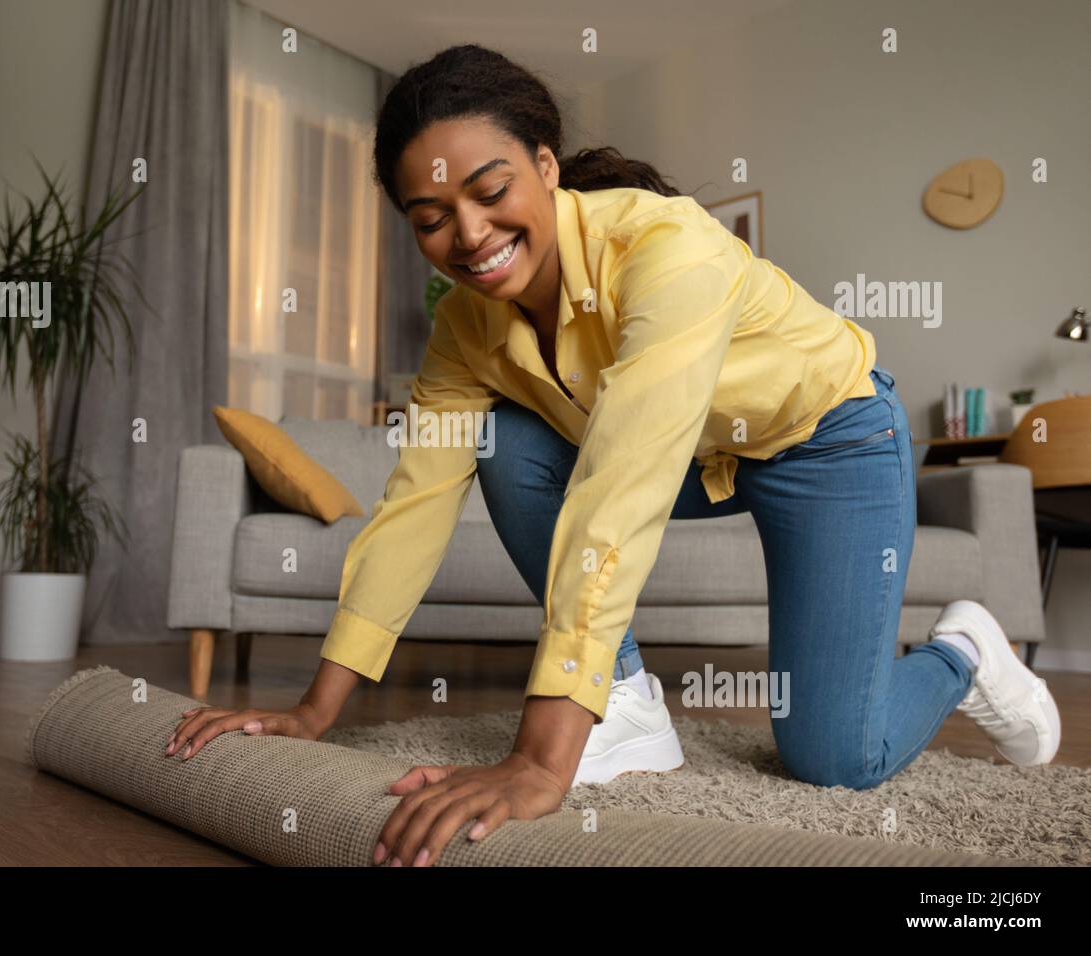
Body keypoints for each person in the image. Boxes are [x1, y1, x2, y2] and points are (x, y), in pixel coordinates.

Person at [167, 44, 1060, 866]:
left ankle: (966, 655)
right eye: (431, 217)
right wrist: (313, 711)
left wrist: (541, 759)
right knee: (500, 435)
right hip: (694, 463)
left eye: (491, 190)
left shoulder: (667, 250)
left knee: (835, 757)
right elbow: (411, 507)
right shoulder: (462, 329)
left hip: (829, 442)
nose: (469, 235)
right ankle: (624, 699)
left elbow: (620, 486)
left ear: (546, 167)